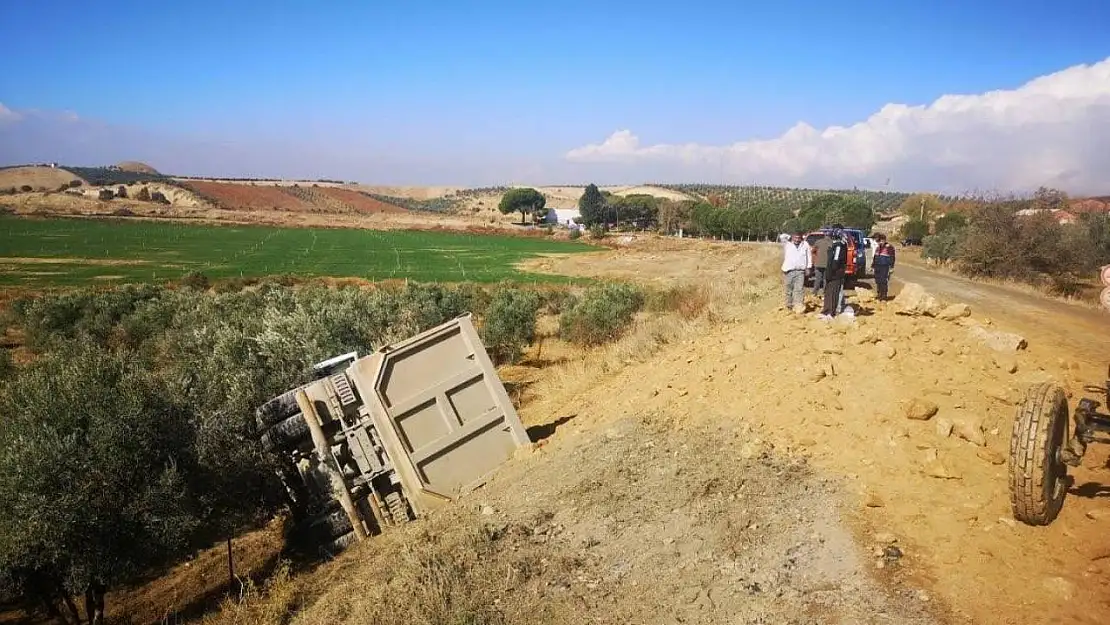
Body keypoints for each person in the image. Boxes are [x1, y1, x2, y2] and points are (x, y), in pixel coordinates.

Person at [820, 227, 849, 319]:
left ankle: (830, 312)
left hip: (835, 274)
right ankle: (826, 310)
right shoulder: (836, 245)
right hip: (831, 272)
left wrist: (831, 272)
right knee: (828, 292)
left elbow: (836, 261)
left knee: (833, 293)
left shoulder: (839, 246)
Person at [780, 230, 811, 313]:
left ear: (801, 238)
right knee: (788, 288)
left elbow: (809, 256)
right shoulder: (787, 244)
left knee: (799, 289)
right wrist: (790, 236)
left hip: (800, 271)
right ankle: (789, 305)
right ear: (792, 237)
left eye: (799, 238)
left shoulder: (805, 244)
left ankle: (799, 306)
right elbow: (782, 236)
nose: (797, 240)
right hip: (789, 270)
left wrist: (808, 267)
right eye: (795, 238)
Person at [872, 233, 897, 301]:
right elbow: (875, 257)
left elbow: (892, 258)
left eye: (880, 240)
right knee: (878, 281)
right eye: (878, 241)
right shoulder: (878, 247)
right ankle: (879, 294)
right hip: (877, 266)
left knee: (883, 281)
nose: (879, 242)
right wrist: (873, 266)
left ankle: (884, 295)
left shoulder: (889, 247)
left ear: (884, 240)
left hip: (884, 266)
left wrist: (891, 267)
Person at [811, 232, 831, 298]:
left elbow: (813, 251)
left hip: (818, 264)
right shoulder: (832, 243)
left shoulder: (818, 242)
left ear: (824, 235)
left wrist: (815, 258)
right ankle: (824, 294)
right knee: (826, 279)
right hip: (828, 264)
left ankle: (814, 293)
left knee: (818, 279)